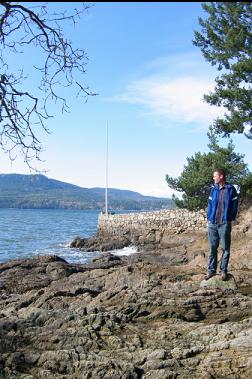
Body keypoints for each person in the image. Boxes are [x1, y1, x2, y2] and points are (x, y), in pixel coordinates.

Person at [205, 169, 239, 281]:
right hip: (213, 224)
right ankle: (211, 271)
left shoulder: (231, 189)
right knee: (212, 248)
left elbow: (234, 206)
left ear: (221, 176)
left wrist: (230, 219)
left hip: (224, 223)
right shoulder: (213, 189)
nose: (213, 178)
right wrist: (209, 218)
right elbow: (210, 204)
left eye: (215, 176)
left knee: (225, 248)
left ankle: (223, 271)